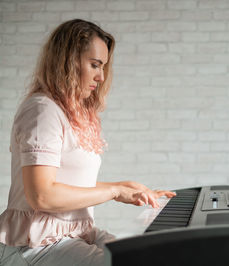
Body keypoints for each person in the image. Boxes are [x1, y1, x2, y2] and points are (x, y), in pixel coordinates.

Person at [0, 19, 176, 266]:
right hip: (35, 245)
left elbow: (66, 182)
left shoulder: (66, 112)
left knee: (148, 255)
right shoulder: (42, 111)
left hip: (73, 235)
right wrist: (114, 191)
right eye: (94, 65)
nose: (101, 76)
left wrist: (123, 188)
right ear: (68, 62)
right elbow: (41, 195)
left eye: (103, 67)